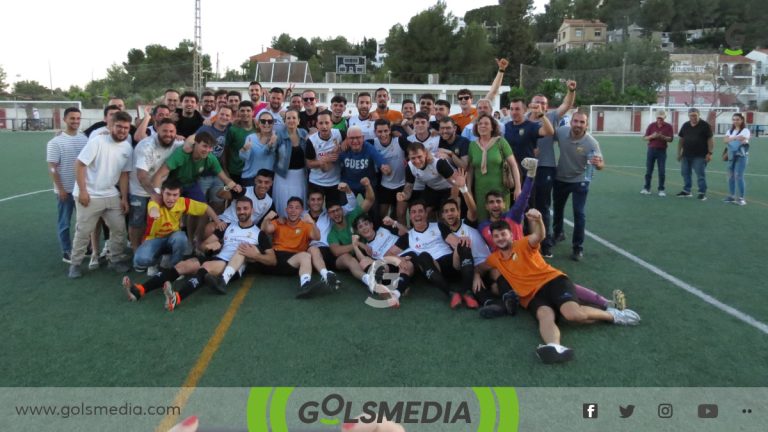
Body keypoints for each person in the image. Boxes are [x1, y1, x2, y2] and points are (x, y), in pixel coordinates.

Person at [474, 212, 640, 364]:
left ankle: (615, 316)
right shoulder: (494, 258)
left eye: (503, 234)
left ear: (511, 235)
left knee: (573, 314)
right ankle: (555, 346)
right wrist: (475, 275)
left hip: (552, 281)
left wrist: (538, 220)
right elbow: (480, 268)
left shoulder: (523, 244)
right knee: (545, 316)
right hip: (532, 297)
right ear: (493, 240)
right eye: (496, 236)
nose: (500, 238)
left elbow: (539, 235)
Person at [68, 111, 134, 278]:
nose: (122, 131)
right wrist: (83, 191)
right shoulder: (97, 141)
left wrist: (124, 197)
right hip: (89, 194)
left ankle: (116, 259)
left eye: (126, 128)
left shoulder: (127, 147)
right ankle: (75, 263)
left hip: (111, 194)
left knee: (119, 229)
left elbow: (124, 174)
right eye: (119, 126)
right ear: (111, 126)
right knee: (84, 230)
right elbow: (79, 165)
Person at [133, 179, 226, 275]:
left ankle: (175, 267)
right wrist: (154, 212)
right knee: (140, 260)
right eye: (168, 194)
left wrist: (218, 221)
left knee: (181, 237)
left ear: (179, 195)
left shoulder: (182, 202)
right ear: (162, 193)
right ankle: (156, 261)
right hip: (154, 239)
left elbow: (206, 207)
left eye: (175, 195)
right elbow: (153, 207)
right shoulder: (155, 201)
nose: (171, 198)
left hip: (172, 238)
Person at [395, 200, 473, 308]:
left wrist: (461, 241)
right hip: (434, 267)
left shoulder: (438, 226)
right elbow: (388, 254)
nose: (417, 214)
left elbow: (454, 241)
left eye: (420, 211)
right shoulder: (408, 236)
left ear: (426, 214)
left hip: (452, 262)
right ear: (410, 216)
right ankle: (451, 293)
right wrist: (399, 260)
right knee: (423, 256)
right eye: (413, 212)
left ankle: (467, 291)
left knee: (463, 244)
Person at [529, 83, 576, 258]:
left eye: (542, 102)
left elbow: (567, 105)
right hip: (525, 168)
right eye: (536, 102)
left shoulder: (551, 116)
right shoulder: (523, 118)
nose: (539, 105)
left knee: (543, 206)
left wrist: (571, 91)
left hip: (545, 167)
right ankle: (529, 240)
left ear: (546, 106)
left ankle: (545, 243)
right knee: (526, 205)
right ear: (530, 104)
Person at [551, 112, 604, 262]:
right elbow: (548, 137)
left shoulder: (591, 143)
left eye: (582, 122)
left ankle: (577, 247)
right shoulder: (561, 132)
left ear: (586, 125)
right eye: (576, 121)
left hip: (580, 179)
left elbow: (601, 165)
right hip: (560, 177)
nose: (578, 125)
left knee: (579, 213)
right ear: (571, 122)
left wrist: (598, 164)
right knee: (558, 208)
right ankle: (558, 233)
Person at [128, 118, 183, 251]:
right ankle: (136, 249)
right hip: (139, 190)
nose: (168, 134)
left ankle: (154, 250)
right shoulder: (146, 146)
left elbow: (193, 142)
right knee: (137, 222)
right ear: (157, 129)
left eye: (172, 131)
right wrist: (153, 194)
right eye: (165, 131)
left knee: (158, 221)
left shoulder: (176, 143)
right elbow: (141, 175)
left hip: (160, 189)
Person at [259, 198, 331, 298]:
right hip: (277, 258)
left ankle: (312, 282)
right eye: (291, 207)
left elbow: (317, 237)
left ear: (301, 211)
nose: (293, 211)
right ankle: (308, 284)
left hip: (293, 261)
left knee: (309, 252)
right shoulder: (279, 222)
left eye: (297, 208)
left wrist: (312, 223)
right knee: (305, 256)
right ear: (286, 209)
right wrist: (267, 218)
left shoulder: (306, 225)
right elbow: (265, 230)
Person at [46, 107, 88, 263]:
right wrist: (61, 189)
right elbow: (52, 167)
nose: (75, 121)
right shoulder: (55, 142)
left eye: (78, 118)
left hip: (81, 189)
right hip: (66, 190)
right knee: (64, 222)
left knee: (83, 221)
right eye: (72, 118)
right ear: (65, 119)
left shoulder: (84, 139)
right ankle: (66, 250)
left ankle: (85, 247)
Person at [467, 113, 521, 221]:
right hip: (481, 191)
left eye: (486, 123)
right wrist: (468, 190)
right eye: (480, 124)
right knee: (483, 222)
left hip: (500, 190)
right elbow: (471, 170)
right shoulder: (472, 145)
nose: (482, 126)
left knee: (502, 222)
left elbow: (513, 165)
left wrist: (518, 188)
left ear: (492, 127)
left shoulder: (501, 142)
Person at [397, 142, 456, 218]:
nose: (417, 161)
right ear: (409, 157)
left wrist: (452, 201)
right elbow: (409, 186)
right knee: (422, 212)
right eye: (413, 158)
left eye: (419, 157)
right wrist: (404, 195)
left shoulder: (438, 162)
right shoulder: (410, 166)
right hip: (432, 189)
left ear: (425, 153)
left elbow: (455, 183)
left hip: (449, 189)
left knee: (447, 214)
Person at [371, 119, 409, 224]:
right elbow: (358, 144)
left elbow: (414, 149)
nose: (383, 134)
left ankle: (403, 237)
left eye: (385, 131)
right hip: (384, 186)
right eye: (379, 131)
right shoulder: (372, 143)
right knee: (381, 216)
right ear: (375, 132)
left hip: (402, 184)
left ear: (390, 130)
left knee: (400, 215)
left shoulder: (400, 141)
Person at [274, 109, 309, 217]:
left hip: (300, 175)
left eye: (294, 118)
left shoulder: (303, 133)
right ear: (285, 121)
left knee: (299, 201)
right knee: (284, 201)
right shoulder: (278, 134)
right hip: (283, 175)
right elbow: (270, 153)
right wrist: (270, 144)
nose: (291, 120)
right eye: (288, 118)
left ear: (298, 121)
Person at [676, 107, 713, 200]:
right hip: (686, 154)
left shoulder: (705, 125)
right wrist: (679, 152)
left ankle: (702, 192)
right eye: (691, 115)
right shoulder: (685, 125)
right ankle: (687, 191)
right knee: (685, 173)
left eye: (695, 115)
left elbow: (710, 140)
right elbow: (681, 140)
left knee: (700, 174)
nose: (693, 117)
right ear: (688, 116)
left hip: (700, 155)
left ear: (699, 115)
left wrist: (709, 153)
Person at [305, 111, 343, 199]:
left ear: (332, 124)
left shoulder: (339, 134)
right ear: (317, 125)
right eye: (321, 123)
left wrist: (340, 148)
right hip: (316, 182)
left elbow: (348, 141)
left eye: (327, 123)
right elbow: (309, 164)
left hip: (335, 182)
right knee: (315, 209)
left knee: (334, 210)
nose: (324, 126)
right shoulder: (311, 141)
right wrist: (325, 160)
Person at [240, 111, 277, 187]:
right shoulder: (251, 137)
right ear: (258, 123)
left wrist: (271, 143)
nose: (266, 124)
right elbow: (244, 157)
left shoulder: (276, 137)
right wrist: (244, 149)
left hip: (268, 180)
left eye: (269, 121)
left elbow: (268, 152)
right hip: (250, 178)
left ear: (273, 123)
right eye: (263, 121)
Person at [641, 110, 674, 196]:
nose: (660, 119)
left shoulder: (669, 126)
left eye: (661, 118)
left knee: (662, 171)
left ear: (664, 117)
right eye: (658, 118)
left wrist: (661, 137)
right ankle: (646, 188)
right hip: (651, 150)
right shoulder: (651, 125)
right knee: (649, 170)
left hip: (662, 151)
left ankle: (661, 189)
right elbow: (644, 138)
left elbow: (671, 139)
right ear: (656, 117)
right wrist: (652, 136)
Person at [224, 101, 256, 187]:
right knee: (229, 194)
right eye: (242, 110)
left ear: (253, 112)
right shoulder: (232, 130)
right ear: (238, 112)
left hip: (251, 172)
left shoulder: (258, 129)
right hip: (234, 172)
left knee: (247, 198)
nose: (245, 113)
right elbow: (225, 150)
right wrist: (225, 170)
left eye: (248, 110)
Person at [722, 112, 750, 205]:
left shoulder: (745, 130)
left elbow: (742, 138)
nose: (735, 121)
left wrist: (731, 139)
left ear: (742, 120)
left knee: (738, 176)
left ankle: (741, 198)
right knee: (730, 176)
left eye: (737, 119)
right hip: (731, 156)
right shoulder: (730, 130)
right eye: (734, 119)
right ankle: (732, 196)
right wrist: (735, 138)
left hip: (741, 156)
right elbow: (725, 140)